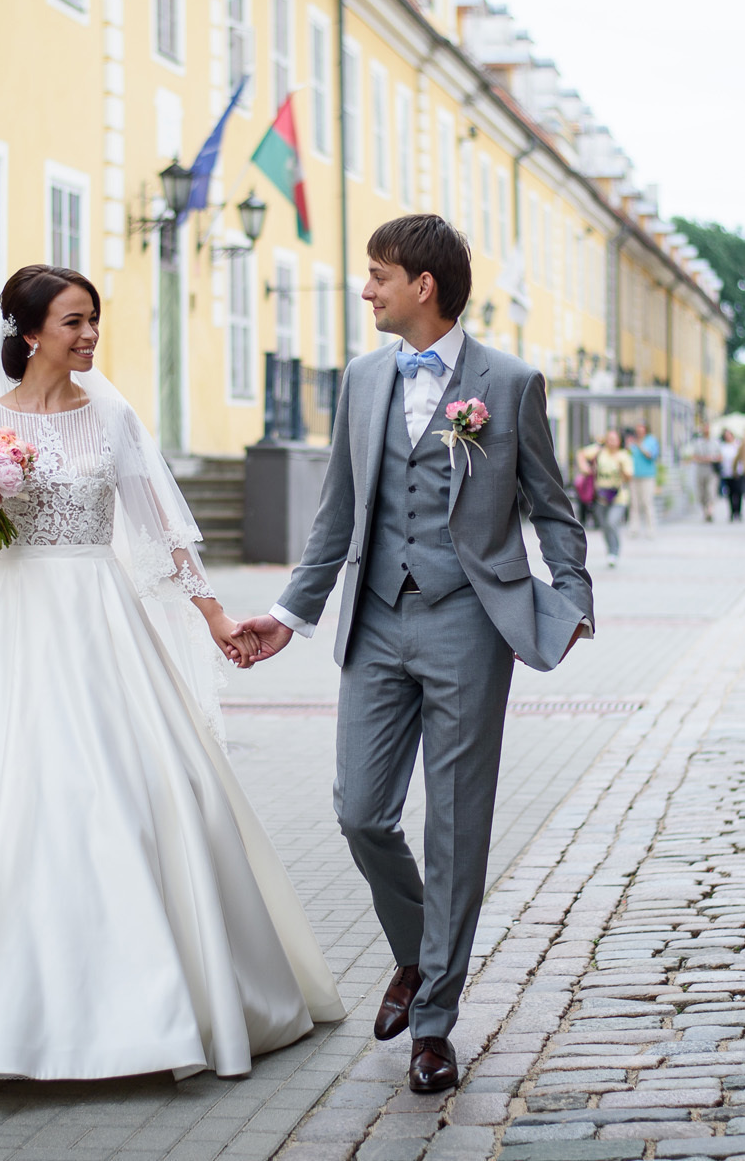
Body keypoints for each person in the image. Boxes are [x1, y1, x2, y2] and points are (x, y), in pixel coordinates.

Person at [0, 265, 345, 1090]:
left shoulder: (111, 415)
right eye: (73, 321)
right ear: (30, 331)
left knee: (132, 790)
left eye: (94, 321)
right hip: (13, 624)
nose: (89, 336)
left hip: (102, 618)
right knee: (3, 799)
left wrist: (215, 616)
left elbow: (163, 526)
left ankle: (156, 1003)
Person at [232, 214, 593, 1095]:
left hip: (472, 623)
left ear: (422, 286)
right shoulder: (361, 380)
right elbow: (336, 516)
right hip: (376, 624)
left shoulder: (508, 383)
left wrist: (572, 596)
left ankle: (434, 1022)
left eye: (378, 276)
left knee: (458, 825)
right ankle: (416, 953)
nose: (366, 290)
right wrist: (290, 613)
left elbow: (552, 503)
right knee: (361, 811)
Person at [593, 429, 633, 567]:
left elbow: (629, 477)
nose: (611, 442)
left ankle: (614, 552)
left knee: (612, 522)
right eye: (609, 439)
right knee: (604, 525)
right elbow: (582, 454)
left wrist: (621, 469)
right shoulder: (600, 452)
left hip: (618, 497)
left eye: (614, 439)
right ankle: (610, 551)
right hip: (602, 496)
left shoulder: (624, 455)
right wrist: (584, 466)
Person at [625, 423, 660, 540]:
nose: (639, 432)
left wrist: (639, 445)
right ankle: (634, 528)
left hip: (647, 476)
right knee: (634, 503)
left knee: (647, 502)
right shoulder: (632, 441)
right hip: (634, 475)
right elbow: (628, 456)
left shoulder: (651, 441)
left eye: (641, 429)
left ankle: (650, 529)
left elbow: (650, 455)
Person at [718, 428, 742, 521]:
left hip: (737, 472)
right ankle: (732, 512)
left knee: (738, 492)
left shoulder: (737, 444)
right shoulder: (723, 446)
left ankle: (738, 512)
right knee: (730, 493)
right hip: (727, 472)